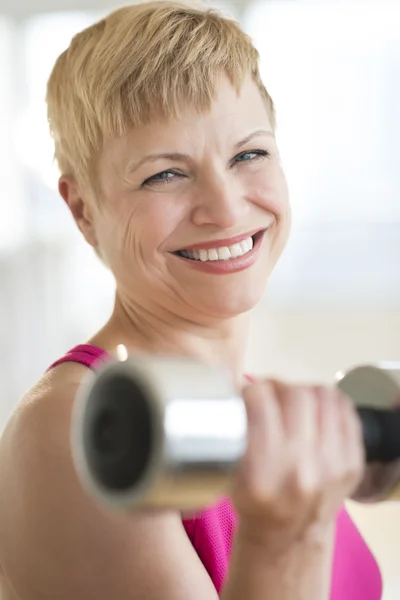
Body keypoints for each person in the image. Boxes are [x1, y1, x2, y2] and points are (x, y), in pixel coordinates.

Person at [0, 1, 383, 599]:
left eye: (249, 154)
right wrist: (283, 538)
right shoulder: (80, 429)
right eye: (164, 175)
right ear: (83, 210)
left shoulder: (258, 415)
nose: (227, 208)